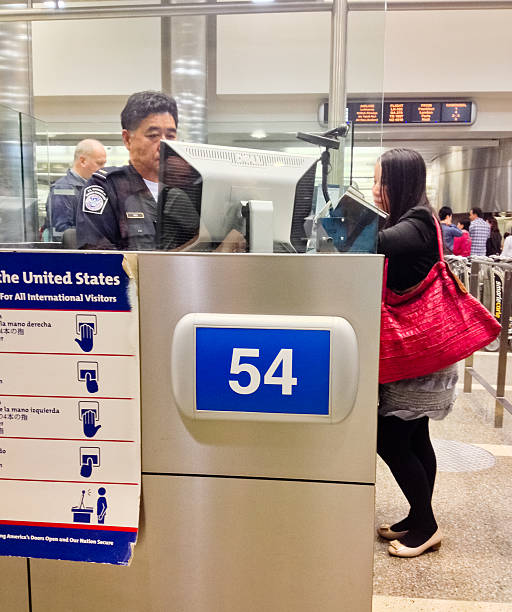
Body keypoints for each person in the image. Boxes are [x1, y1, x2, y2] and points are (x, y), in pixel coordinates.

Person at [372, 148, 458, 558]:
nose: (376, 190)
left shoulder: (419, 222)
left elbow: (373, 241)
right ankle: (417, 513)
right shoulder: (415, 219)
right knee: (415, 435)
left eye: (380, 182)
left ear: (400, 183)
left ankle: (426, 525)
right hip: (420, 351)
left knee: (389, 437)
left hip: (417, 350)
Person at [76, 91, 179, 250]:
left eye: (170, 136)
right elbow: (96, 256)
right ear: (127, 139)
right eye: (153, 135)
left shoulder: (186, 191)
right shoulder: (106, 188)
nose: (164, 145)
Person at [44, 139, 106, 239]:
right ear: (82, 161)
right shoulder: (63, 189)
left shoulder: (96, 187)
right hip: (77, 253)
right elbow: (62, 233)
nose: (103, 168)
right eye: (99, 163)